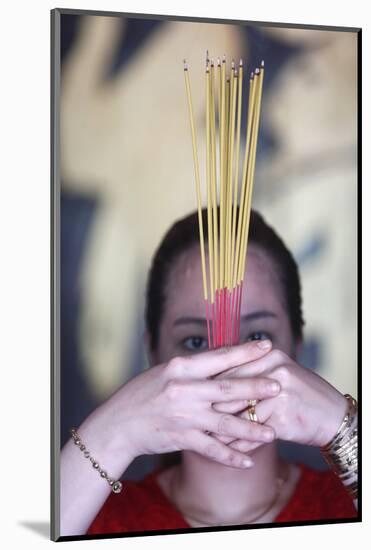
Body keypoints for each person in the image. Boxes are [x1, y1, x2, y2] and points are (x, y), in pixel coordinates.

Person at [60, 208, 357, 536]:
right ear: (154, 354)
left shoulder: (346, 504)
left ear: (296, 347)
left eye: (257, 337)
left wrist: (343, 427)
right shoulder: (93, 517)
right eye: (195, 341)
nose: (229, 372)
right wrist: (110, 434)